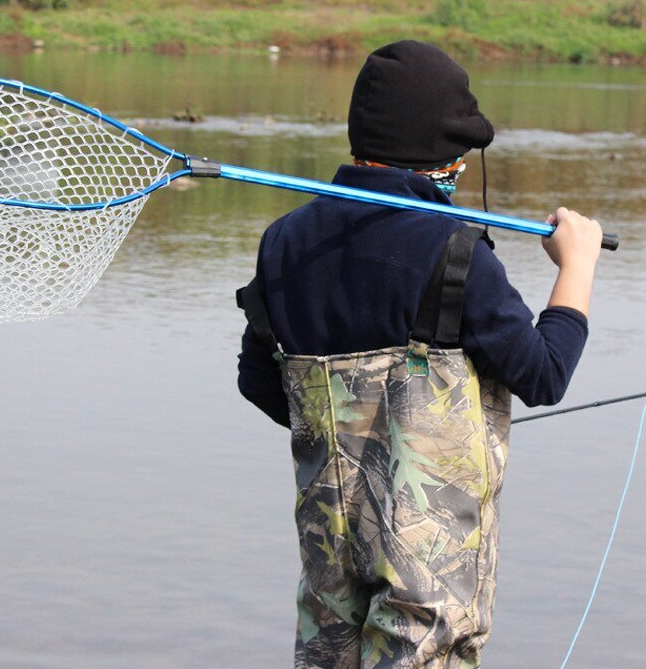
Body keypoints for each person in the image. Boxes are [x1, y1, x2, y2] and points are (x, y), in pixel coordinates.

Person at [236, 41, 602, 669]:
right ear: (446, 156)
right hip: (427, 590)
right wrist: (579, 266)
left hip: (329, 573)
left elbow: (264, 386)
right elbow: (544, 374)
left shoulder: (283, 244)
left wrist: (354, 431)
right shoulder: (457, 254)